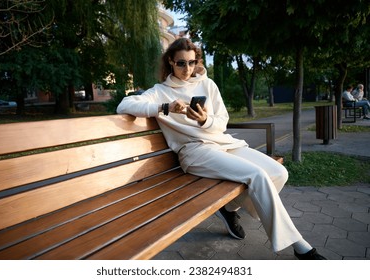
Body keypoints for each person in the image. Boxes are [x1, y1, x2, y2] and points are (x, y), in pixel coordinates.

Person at [117, 38, 326, 260]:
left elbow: (222, 121)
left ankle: (230, 208)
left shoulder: (208, 85)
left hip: (223, 143)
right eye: (180, 63)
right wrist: (165, 107)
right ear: (170, 61)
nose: (186, 69)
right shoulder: (160, 91)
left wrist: (205, 119)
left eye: (191, 62)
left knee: (278, 172)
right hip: (195, 152)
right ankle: (299, 245)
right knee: (257, 176)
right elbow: (125, 105)